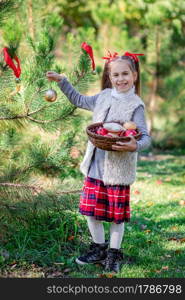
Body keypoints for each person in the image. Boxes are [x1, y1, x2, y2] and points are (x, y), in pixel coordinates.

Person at [46, 50, 151, 273]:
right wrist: (63, 81)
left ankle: (113, 254)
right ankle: (98, 249)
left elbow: (145, 136)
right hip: (95, 166)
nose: (120, 79)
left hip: (118, 170)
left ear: (134, 75)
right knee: (91, 211)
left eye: (125, 74)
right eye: (116, 75)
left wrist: (135, 145)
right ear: (110, 77)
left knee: (116, 216)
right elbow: (78, 99)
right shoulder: (102, 97)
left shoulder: (136, 105)